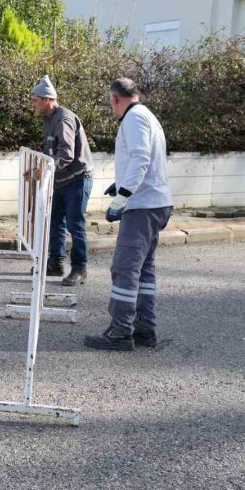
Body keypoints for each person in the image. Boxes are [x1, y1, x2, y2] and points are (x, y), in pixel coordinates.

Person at [85, 78, 174, 352]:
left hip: (142, 206)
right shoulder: (147, 115)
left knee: (125, 268)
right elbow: (146, 159)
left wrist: (122, 196)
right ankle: (145, 329)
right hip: (156, 202)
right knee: (144, 270)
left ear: (115, 98)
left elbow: (140, 158)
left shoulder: (133, 119)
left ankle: (121, 332)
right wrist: (121, 183)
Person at [29, 75, 94, 285]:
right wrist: (36, 171)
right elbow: (51, 153)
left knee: (75, 225)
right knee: (56, 222)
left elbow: (66, 154)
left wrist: (46, 172)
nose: (33, 105)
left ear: (47, 99)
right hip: (61, 180)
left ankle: (79, 269)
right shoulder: (49, 119)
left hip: (77, 178)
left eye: (35, 100)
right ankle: (55, 263)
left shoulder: (63, 118)